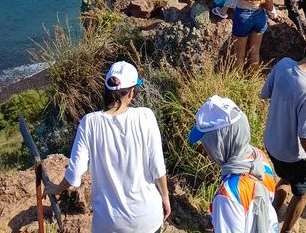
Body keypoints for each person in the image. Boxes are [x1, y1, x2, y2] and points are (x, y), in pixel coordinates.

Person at [46, 61, 170, 233]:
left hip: (110, 224)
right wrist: (165, 196)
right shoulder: (146, 117)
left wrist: (56, 188)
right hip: (147, 218)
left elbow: (75, 174)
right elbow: (157, 167)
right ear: (132, 92)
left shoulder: (89, 123)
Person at [261, 37, 306, 233]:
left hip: (272, 143)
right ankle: (285, 231)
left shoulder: (283, 64)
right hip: (292, 154)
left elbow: (265, 93)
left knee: (285, 179)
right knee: (304, 192)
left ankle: (269, 216)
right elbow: (305, 136)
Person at [188, 95, 278, 233]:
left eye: (206, 141)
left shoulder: (228, 195)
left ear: (218, 143)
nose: (205, 148)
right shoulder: (260, 158)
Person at [227, 0, 276, 69]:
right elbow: (270, 7)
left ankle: (237, 80)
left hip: (242, 16)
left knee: (239, 55)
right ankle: (253, 79)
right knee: (255, 53)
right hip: (259, 16)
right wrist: (261, 2)